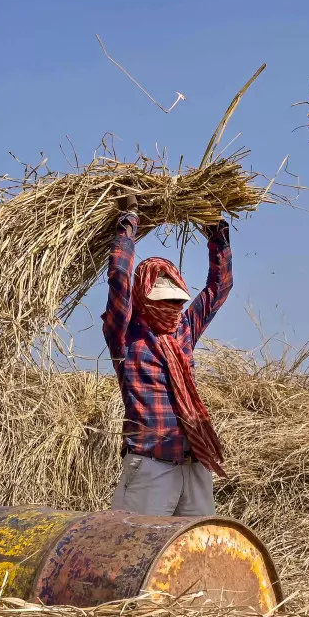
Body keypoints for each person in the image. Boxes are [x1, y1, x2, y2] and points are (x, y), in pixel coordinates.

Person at [101, 193, 232, 517]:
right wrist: (129, 220)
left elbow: (220, 287)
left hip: (193, 464)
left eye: (177, 301)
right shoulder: (126, 335)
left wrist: (215, 229)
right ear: (144, 299)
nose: (174, 309)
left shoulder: (184, 330)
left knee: (197, 552)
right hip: (150, 467)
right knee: (134, 551)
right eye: (165, 302)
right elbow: (118, 277)